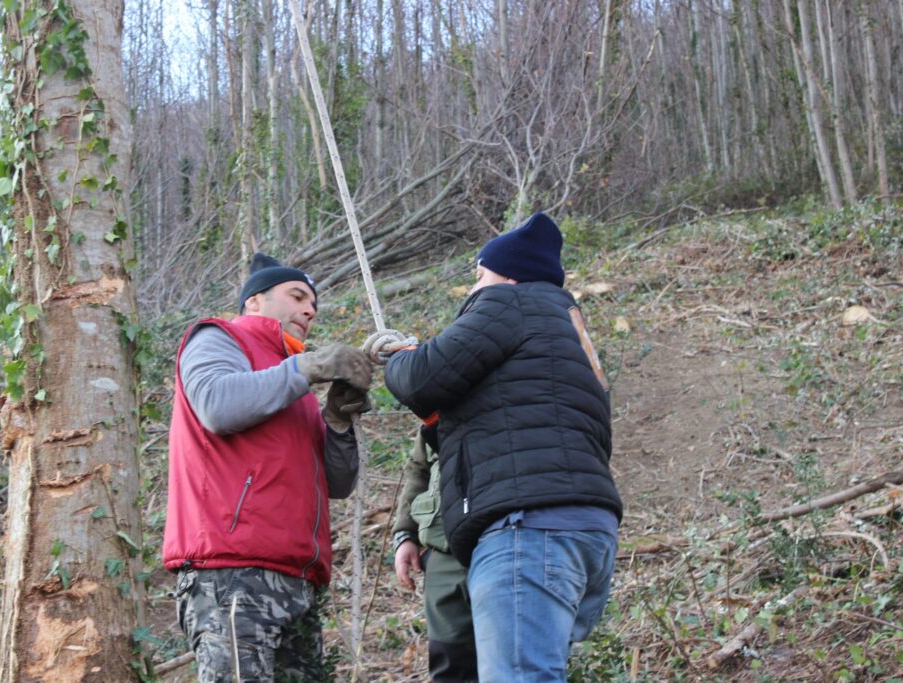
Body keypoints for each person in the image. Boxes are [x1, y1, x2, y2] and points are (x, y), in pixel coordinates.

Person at [372, 213, 622, 682]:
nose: (474, 288)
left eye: (479, 275)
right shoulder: (567, 333)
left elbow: (422, 378)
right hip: (587, 532)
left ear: (507, 274)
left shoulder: (510, 302)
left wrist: (398, 358)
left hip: (527, 531)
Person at [163, 252, 373, 682]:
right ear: (254, 302)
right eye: (296, 296)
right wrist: (306, 367)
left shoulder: (291, 384)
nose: (309, 310)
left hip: (297, 577)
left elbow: (338, 482)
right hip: (230, 572)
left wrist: (336, 423)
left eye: (313, 305)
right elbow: (218, 406)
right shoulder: (219, 338)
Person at [392, 423, 478, 682]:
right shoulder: (438, 393)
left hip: (505, 541)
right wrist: (405, 534)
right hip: (442, 549)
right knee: (449, 663)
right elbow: (419, 469)